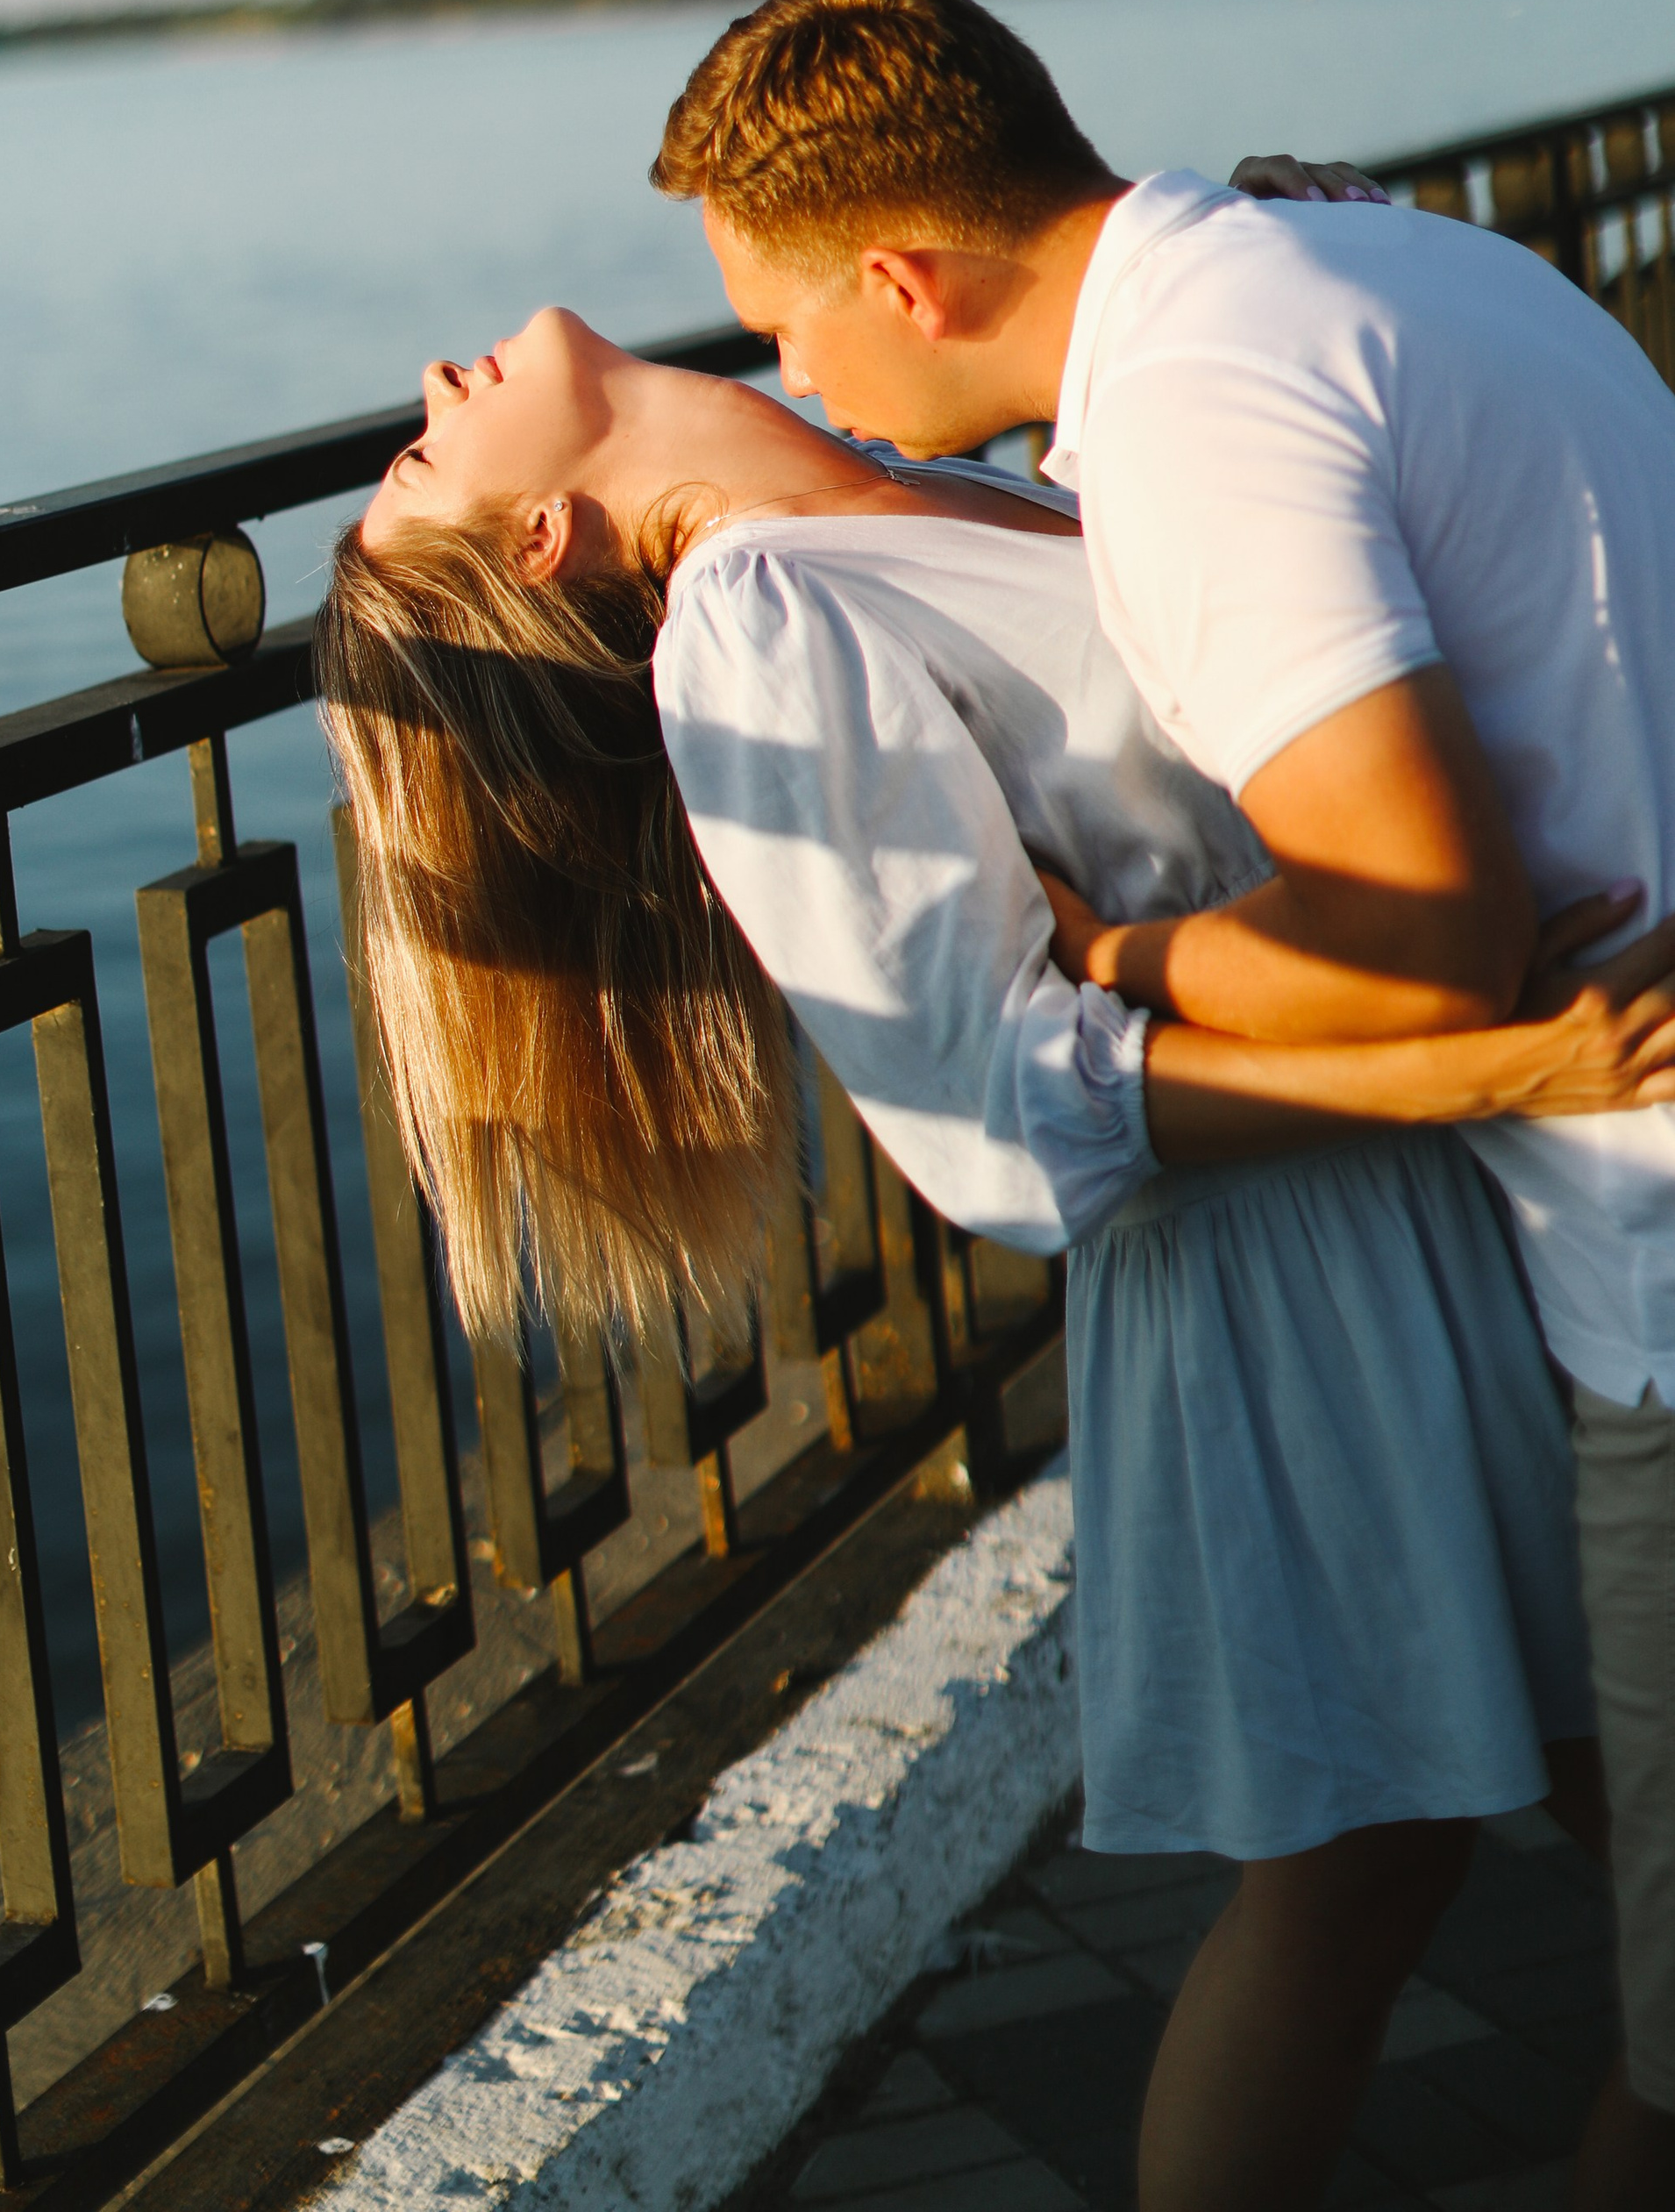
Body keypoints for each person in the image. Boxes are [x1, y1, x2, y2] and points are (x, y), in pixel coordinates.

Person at [317, 306, 1675, 2212]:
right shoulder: (756, 625)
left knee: (1467, 1836)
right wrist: (1482, 1064)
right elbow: (997, 1107)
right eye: (421, 461)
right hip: (1301, 1271)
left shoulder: (897, 475)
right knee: (1371, 1866)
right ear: (541, 538)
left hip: (1438, 1179)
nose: (429, 388)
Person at [652, 0, 1675, 2209]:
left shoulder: (1195, 410)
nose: (792, 379)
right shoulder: (1382, 260)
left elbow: (1426, 939)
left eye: (788, 325)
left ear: (904, 278)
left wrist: (1104, 954)